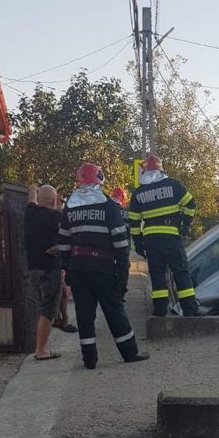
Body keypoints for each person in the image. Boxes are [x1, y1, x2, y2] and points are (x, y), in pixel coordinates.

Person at [55, 163, 149, 370]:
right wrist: (122, 271)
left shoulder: (70, 206)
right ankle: (129, 352)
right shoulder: (108, 205)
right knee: (114, 309)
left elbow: (63, 242)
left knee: (84, 313)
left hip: (79, 267)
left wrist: (68, 269)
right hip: (103, 266)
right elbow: (121, 243)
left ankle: (89, 359)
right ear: (99, 179)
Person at [128, 154, 198, 316]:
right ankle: (190, 310)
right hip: (172, 237)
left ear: (144, 171)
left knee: (157, 274)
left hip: (151, 240)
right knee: (181, 273)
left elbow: (134, 222)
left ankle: (160, 311)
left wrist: (138, 244)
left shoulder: (139, 193)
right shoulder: (173, 185)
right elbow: (190, 204)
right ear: (161, 168)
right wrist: (185, 224)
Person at [24, 183, 64, 361]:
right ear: (54, 200)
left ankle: (36, 345)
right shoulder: (57, 217)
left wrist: (33, 189)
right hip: (50, 268)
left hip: (33, 268)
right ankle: (41, 350)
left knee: (37, 307)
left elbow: (32, 199)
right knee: (48, 310)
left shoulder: (30, 213)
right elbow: (68, 239)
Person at [109, 186, 130, 297]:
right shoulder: (125, 212)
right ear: (122, 197)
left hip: (108, 245)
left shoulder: (107, 208)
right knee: (123, 267)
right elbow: (129, 230)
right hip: (123, 245)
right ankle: (121, 291)